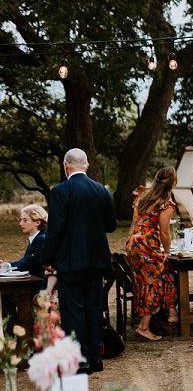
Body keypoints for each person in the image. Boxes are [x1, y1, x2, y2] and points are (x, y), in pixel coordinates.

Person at [41, 149, 117, 373]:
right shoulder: (102, 191)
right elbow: (111, 226)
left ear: (66, 166)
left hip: (71, 260)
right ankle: (96, 357)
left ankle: (81, 361)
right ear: (87, 166)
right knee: (94, 309)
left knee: (73, 311)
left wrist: (48, 259)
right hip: (96, 259)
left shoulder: (60, 191)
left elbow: (55, 230)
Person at [125, 167, 179, 341]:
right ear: (173, 183)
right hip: (147, 244)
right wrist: (166, 250)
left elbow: (136, 221)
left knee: (160, 273)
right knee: (152, 282)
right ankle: (143, 327)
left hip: (133, 242)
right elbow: (164, 232)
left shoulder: (142, 197)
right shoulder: (165, 204)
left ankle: (171, 312)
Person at [8, 204, 47, 274]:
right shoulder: (38, 237)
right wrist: (6, 265)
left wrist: (7, 269)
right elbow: (25, 260)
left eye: (25, 220)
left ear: (37, 222)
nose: (21, 223)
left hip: (40, 282)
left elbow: (25, 265)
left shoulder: (40, 239)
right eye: (21, 220)